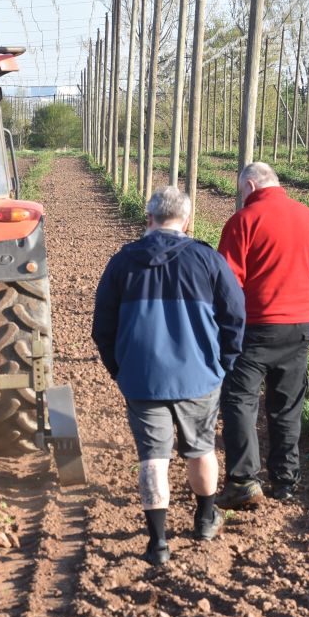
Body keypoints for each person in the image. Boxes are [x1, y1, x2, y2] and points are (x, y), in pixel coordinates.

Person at [92, 186, 245, 564]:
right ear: (187, 220)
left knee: (152, 458)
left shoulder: (122, 263)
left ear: (149, 218)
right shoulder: (207, 260)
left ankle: (158, 543)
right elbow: (235, 317)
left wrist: (121, 369)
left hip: (142, 378)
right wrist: (222, 364)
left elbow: (103, 327)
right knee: (201, 448)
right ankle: (206, 518)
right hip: (198, 376)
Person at [215, 162, 309, 508]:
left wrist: (226, 329)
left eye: (241, 193)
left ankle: (243, 480)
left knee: (240, 401)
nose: (242, 199)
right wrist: (305, 317)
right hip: (298, 327)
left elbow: (228, 285)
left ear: (250, 185)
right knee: (287, 406)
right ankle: (286, 481)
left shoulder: (244, 221)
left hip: (254, 327)